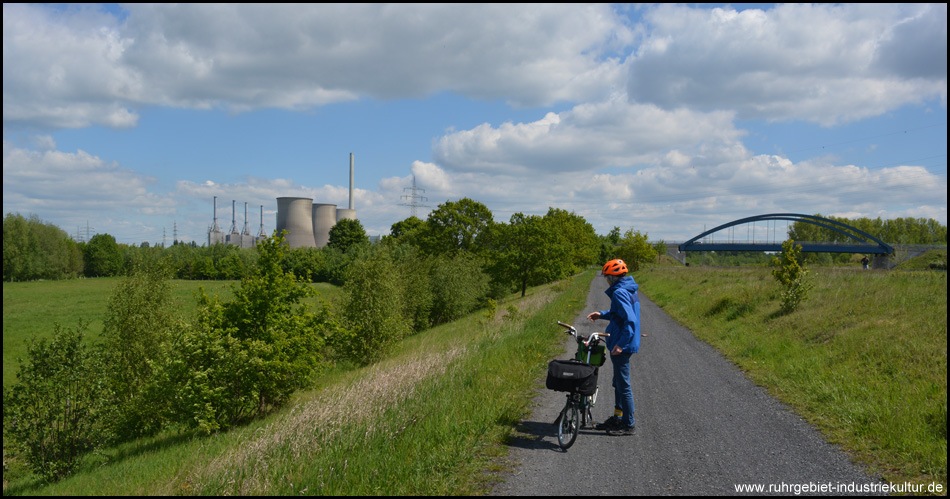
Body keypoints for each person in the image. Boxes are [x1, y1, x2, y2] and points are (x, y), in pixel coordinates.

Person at [586, 259, 640, 436]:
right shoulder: (628, 289)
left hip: (622, 344)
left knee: (623, 385)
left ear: (612, 277)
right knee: (618, 383)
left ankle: (628, 424)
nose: (606, 280)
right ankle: (619, 417)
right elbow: (619, 314)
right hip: (623, 342)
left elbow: (630, 321)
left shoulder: (619, 293)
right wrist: (601, 314)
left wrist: (620, 345)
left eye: (607, 277)